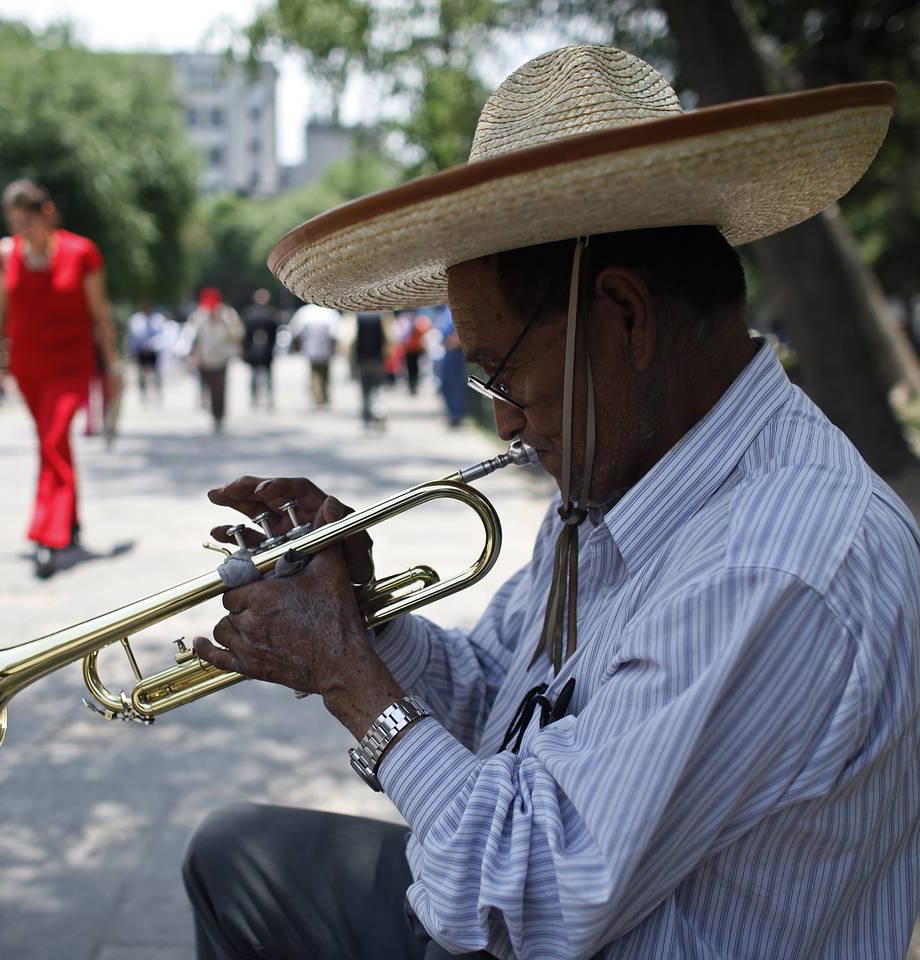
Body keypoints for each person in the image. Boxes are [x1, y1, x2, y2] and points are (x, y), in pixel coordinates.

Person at [183, 45, 919, 959]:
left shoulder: (772, 564)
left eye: (500, 370)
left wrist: (348, 677)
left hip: (549, 923)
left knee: (251, 868)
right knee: (232, 854)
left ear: (625, 319)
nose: (499, 422)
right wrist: (367, 620)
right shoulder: (623, 481)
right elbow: (502, 702)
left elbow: (519, 898)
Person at [0, 179, 120, 579]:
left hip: (70, 365)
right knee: (53, 445)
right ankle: (71, 523)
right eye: (14, 223)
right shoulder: (5, 253)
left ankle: (47, 535)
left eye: (26, 221)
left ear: (46, 213)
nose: (20, 231)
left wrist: (111, 368)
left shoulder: (82, 253)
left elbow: (100, 315)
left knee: (52, 440)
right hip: (28, 367)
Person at [187, 287, 242, 434]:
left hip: (221, 357)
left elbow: (236, 334)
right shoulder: (198, 315)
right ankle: (209, 409)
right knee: (206, 386)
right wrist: (193, 357)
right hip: (204, 358)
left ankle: (218, 415)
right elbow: (192, 336)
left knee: (219, 388)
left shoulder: (228, 315)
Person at [287, 301, 339, 407]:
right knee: (325, 373)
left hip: (310, 347)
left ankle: (318, 395)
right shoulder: (329, 312)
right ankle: (322, 395)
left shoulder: (305, 312)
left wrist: (297, 346)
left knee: (315, 372)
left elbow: (295, 330)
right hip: (325, 348)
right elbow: (336, 332)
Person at [242, 289, 282, 409]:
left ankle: (256, 399)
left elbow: (245, 334)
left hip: (257, 349)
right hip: (264, 349)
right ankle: (264, 399)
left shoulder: (250, 313)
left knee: (258, 375)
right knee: (263, 375)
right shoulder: (271, 313)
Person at [353, 310, 392, 430]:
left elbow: (350, 339)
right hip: (378, 359)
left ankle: (367, 418)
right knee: (378, 389)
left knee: (365, 391)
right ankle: (379, 415)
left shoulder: (356, 316)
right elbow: (390, 338)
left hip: (362, 359)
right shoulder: (383, 315)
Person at [433, 305, 468, 428]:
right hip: (446, 351)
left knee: (455, 384)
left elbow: (459, 331)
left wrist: (452, 342)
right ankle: (452, 413)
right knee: (446, 383)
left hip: (455, 352)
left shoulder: (453, 310)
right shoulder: (443, 311)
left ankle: (456, 415)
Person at [127, 301, 169, 402]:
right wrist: (131, 350)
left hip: (154, 350)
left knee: (157, 374)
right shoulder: (135, 319)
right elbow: (132, 336)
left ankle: (158, 393)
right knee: (141, 374)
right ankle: (143, 395)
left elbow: (163, 335)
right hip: (141, 351)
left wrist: (153, 344)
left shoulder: (158, 319)